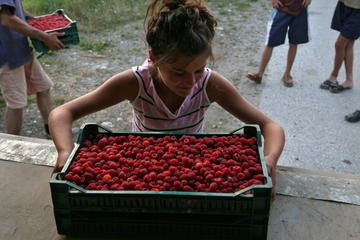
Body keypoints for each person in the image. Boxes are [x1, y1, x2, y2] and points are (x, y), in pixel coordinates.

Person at [49, 0, 285, 200]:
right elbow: (62, 113)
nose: (191, 82)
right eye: (179, 72)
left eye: (199, 69)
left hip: (192, 170)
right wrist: (64, 151)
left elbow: (271, 127)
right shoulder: (135, 83)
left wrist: (270, 159)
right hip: (141, 167)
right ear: (153, 57)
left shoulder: (210, 84)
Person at [0, 0, 65, 136]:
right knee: (16, 103)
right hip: (7, 55)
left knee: (43, 87)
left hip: (21, 49)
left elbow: (16, 11)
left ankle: (51, 130)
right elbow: (6, 18)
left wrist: (40, 23)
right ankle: (11, 142)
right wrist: (45, 37)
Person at [246, 0, 312, 87]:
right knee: (270, 42)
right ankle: (259, 74)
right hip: (282, 7)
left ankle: (287, 74)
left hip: (300, 8)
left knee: (294, 43)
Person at [319, 0, 360, 93]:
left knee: (339, 44)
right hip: (345, 4)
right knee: (349, 43)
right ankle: (349, 80)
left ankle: (334, 75)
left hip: (358, 10)